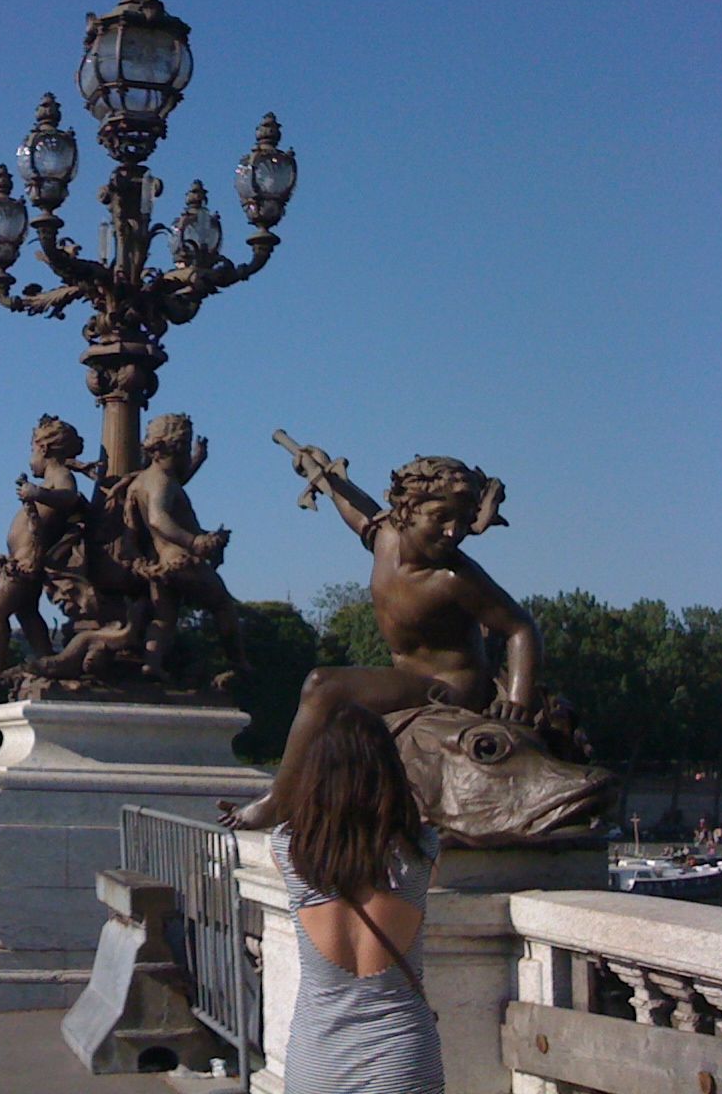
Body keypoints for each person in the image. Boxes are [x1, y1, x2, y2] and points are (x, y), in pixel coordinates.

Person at [233, 449, 540, 830]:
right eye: (441, 517)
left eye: (462, 521)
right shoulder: (384, 538)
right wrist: (319, 474)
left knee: (322, 685)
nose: (454, 532)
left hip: (451, 691)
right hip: (411, 680)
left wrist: (518, 701)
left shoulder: (455, 578)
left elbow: (521, 628)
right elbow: (351, 503)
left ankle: (280, 801)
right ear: (406, 511)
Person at [259, 700, 443, 1094]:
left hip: (318, 1062)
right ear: (389, 771)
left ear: (316, 773)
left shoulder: (287, 849)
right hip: (401, 1058)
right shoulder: (422, 849)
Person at [127, 413, 249, 686]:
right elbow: (158, 518)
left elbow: (177, 481)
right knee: (222, 604)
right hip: (181, 559)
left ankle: (152, 663)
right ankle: (238, 662)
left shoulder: (145, 481)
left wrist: (199, 459)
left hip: (160, 564)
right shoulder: (162, 482)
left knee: (164, 619)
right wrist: (195, 542)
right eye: (185, 449)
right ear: (175, 447)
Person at [0, 415, 100, 686]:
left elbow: (69, 497)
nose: (31, 458)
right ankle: (46, 658)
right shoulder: (56, 475)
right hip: (22, 561)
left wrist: (38, 494)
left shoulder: (59, 476)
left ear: (44, 449)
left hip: (24, 564)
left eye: (32, 450)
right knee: (28, 614)